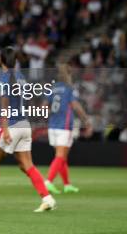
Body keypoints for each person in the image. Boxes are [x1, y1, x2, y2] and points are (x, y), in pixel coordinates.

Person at [0, 47, 56, 212]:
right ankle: (47, 198)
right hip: (24, 125)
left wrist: (5, 129)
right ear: (15, 61)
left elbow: (4, 105)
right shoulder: (21, 78)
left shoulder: (3, 79)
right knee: (26, 165)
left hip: (11, 125)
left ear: (1, 60)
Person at [44, 64, 92, 194]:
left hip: (52, 126)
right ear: (68, 76)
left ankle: (67, 185)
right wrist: (86, 120)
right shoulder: (68, 89)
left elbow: (44, 107)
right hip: (64, 127)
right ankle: (48, 182)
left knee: (62, 157)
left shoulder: (52, 88)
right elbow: (76, 106)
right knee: (60, 156)